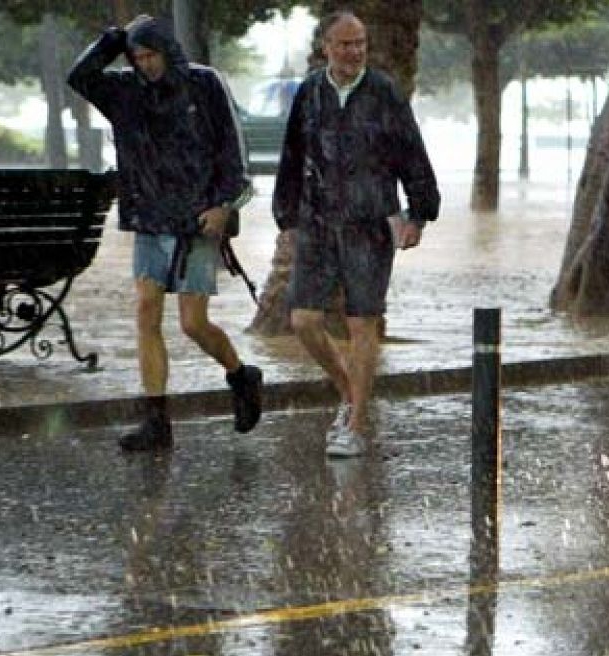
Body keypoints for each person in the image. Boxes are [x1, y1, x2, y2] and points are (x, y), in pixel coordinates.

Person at [68, 15, 263, 454]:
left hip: (196, 222)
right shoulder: (124, 90)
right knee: (145, 310)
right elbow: (79, 76)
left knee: (193, 323)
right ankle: (157, 420)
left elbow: (233, 152)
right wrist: (117, 38)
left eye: (151, 54)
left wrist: (223, 204)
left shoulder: (204, 84)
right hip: (150, 219)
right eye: (137, 57)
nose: (145, 64)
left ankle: (240, 375)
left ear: (167, 51)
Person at [273, 11, 440, 458]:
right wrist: (285, 215)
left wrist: (419, 215)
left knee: (363, 321)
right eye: (345, 44)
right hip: (317, 221)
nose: (354, 52)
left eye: (360, 43)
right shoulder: (309, 92)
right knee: (303, 320)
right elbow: (292, 154)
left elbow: (412, 153)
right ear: (326, 46)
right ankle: (349, 392)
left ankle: (357, 422)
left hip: (370, 221)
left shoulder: (385, 92)